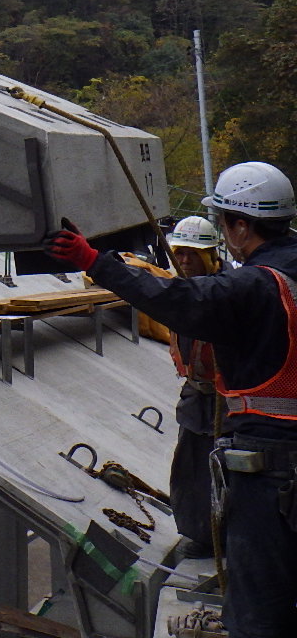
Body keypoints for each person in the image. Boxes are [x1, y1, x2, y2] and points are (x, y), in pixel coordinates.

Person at [44, 161, 297, 637]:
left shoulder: (255, 286)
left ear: (242, 227)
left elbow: (177, 300)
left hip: (272, 470)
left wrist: (92, 260)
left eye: (224, 222)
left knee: (260, 609)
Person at [162, 215, 229, 556]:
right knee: (190, 469)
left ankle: (230, 537)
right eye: (180, 253)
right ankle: (201, 534)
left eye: (192, 253)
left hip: (228, 402)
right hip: (195, 399)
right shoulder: (179, 291)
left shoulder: (227, 291)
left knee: (228, 472)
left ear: (210, 256)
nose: (185, 260)